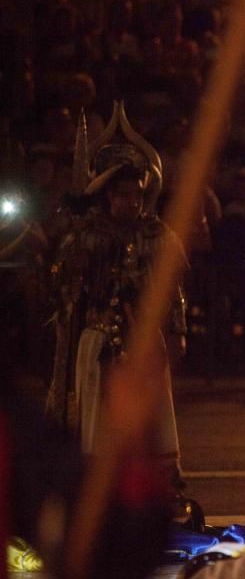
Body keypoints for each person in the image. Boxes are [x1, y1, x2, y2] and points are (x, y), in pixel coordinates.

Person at [46, 102, 187, 490]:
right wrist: (73, 253)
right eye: (123, 196)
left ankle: (152, 487)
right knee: (96, 414)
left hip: (145, 339)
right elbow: (64, 290)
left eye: (137, 196)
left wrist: (177, 332)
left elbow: (172, 289)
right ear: (108, 197)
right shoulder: (87, 236)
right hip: (98, 335)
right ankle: (94, 486)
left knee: (150, 415)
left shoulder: (157, 237)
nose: (131, 203)